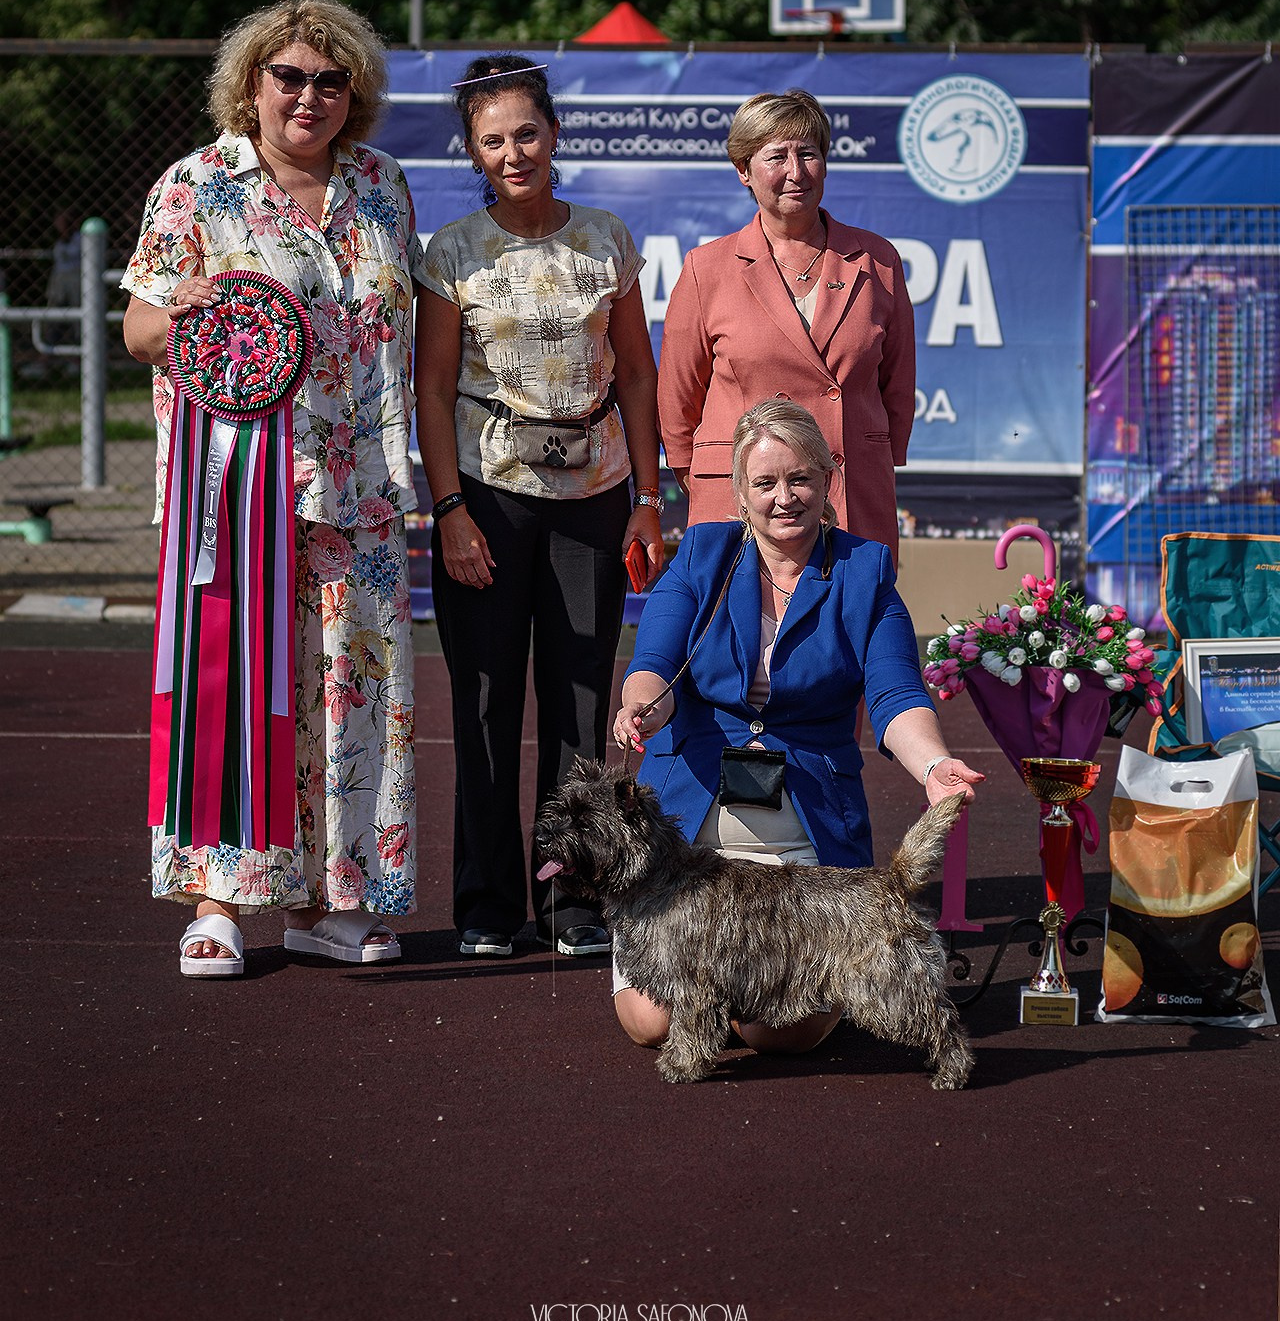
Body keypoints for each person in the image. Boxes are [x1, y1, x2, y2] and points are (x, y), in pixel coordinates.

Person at [122, 0, 424, 976]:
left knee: (355, 696)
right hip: (238, 494)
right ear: (250, 84)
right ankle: (217, 899)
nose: (308, 95)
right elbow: (140, 331)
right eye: (287, 75)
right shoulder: (195, 186)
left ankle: (333, 902)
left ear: (355, 94)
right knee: (235, 689)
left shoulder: (383, 186)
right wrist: (185, 311)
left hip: (365, 490)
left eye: (330, 80)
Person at [611, 399, 983, 1054]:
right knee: (651, 1023)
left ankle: (737, 991)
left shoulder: (863, 574)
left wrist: (932, 766)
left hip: (798, 859)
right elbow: (654, 665)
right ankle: (713, 989)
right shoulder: (702, 554)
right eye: (765, 483)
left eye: (800, 479)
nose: (785, 498)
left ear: (828, 479)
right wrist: (642, 705)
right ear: (739, 492)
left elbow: (896, 694)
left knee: (779, 1035)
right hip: (687, 857)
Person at [415, 54, 664, 959]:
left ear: (554, 134)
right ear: (474, 154)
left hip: (595, 500)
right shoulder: (450, 252)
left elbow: (636, 372)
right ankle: (485, 908)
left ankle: (574, 903)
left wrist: (648, 498)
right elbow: (433, 390)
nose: (512, 152)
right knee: (483, 705)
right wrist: (449, 508)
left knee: (580, 705)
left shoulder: (605, 237)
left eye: (526, 132)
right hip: (486, 499)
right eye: (492, 140)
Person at [657, 88, 916, 564]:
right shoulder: (706, 267)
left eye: (809, 154)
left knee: (849, 625)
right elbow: (678, 398)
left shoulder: (878, 260)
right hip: (741, 500)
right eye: (777, 156)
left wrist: (876, 455)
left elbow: (897, 385)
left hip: (848, 487)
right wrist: (707, 473)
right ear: (744, 171)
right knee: (737, 630)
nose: (796, 172)